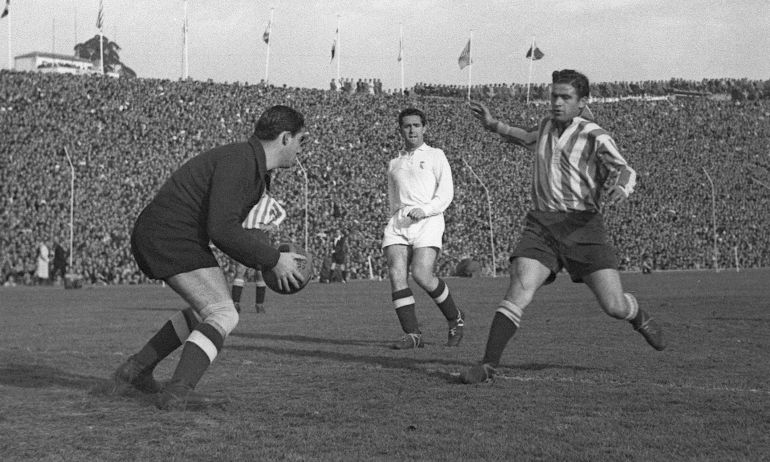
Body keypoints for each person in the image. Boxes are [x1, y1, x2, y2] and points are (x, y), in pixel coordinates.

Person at [461, 70, 666, 384]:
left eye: (565, 97)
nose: (556, 102)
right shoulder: (544, 126)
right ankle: (488, 364)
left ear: (582, 102)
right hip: (542, 225)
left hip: (583, 227)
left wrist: (622, 189)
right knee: (519, 288)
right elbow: (524, 137)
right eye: (554, 95)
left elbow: (625, 168)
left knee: (613, 305)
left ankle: (635, 313)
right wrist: (493, 125)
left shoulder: (594, 134)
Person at [112, 105, 309, 410]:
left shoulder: (248, 163)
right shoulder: (242, 162)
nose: (300, 149)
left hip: (168, 233)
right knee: (224, 314)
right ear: (285, 137)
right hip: (170, 235)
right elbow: (221, 229)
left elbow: (232, 230)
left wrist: (272, 254)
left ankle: (135, 371)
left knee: (206, 311)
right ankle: (177, 393)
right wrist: (273, 260)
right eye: (300, 140)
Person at [382, 107, 464, 349]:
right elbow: (392, 198)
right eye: (407, 126)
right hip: (400, 222)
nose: (412, 130)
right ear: (400, 130)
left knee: (421, 274)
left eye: (416, 125)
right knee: (396, 275)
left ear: (424, 128)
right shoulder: (394, 163)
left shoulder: (436, 155)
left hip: (428, 220)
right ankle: (413, 334)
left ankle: (455, 318)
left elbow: (446, 193)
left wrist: (425, 209)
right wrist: (397, 217)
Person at [230, 189, 287, 313]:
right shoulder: (246, 198)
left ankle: (259, 305)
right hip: (244, 233)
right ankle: (235, 303)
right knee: (240, 268)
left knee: (260, 271)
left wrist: (272, 225)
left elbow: (282, 213)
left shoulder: (270, 201)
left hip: (260, 235)